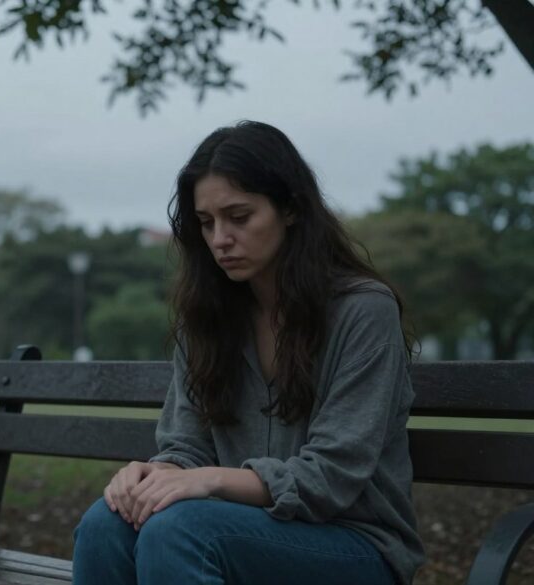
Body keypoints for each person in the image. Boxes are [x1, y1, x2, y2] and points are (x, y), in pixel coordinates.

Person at [72, 121, 425, 585]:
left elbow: (333, 475)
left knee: (179, 532)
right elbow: (188, 446)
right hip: (243, 534)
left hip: (355, 547)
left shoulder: (362, 312)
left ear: (291, 209)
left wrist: (212, 480)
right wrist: (154, 473)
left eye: (239, 217)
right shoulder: (208, 317)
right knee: (106, 523)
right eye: (206, 222)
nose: (220, 238)